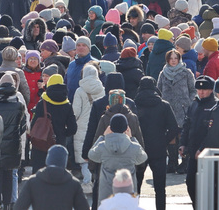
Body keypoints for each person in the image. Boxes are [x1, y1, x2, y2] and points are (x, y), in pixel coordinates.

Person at [133, 77, 179, 210]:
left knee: (136, 188)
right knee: (160, 188)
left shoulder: (135, 104)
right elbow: (174, 128)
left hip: (139, 150)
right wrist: (163, 141)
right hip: (158, 150)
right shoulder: (164, 105)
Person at [87, 113, 148, 203]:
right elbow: (143, 157)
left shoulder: (102, 146)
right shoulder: (134, 147)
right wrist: (132, 139)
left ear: (110, 128)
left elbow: (91, 155)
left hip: (106, 193)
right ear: (127, 128)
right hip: (128, 192)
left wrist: (102, 137)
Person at [0, 74, 27, 209]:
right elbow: (23, 127)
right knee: (10, 176)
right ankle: (8, 204)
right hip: (13, 146)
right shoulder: (18, 105)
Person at [156, 49, 196, 173]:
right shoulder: (163, 73)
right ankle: (172, 163)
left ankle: (184, 163)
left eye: (175, 58)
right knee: (170, 136)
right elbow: (158, 89)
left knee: (183, 135)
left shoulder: (186, 73)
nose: (173, 61)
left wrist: (189, 102)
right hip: (168, 109)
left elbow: (193, 90)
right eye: (171, 58)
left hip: (183, 109)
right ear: (167, 60)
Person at [179, 75, 216, 207]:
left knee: (207, 185)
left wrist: (202, 148)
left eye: (205, 90)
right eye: (199, 90)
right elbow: (187, 125)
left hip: (206, 154)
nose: (201, 92)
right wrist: (182, 144)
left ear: (211, 90)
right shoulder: (194, 104)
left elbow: (212, 133)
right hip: (192, 152)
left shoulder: (214, 106)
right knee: (190, 182)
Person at [14, 145, 88, 210]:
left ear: (48, 159)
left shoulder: (33, 181)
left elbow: (19, 207)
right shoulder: (74, 184)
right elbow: (84, 208)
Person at [29, 73, 76, 172]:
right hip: (58, 144)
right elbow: (73, 128)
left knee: (39, 175)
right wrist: (62, 133)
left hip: (41, 143)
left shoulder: (42, 103)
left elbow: (34, 124)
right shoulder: (67, 105)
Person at [72, 64, 104, 194]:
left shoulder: (80, 91)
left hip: (82, 126)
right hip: (97, 125)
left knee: (84, 159)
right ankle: (97, 183)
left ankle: (87, 183)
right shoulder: (102, 89)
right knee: (96, 156)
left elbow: (75, 111)